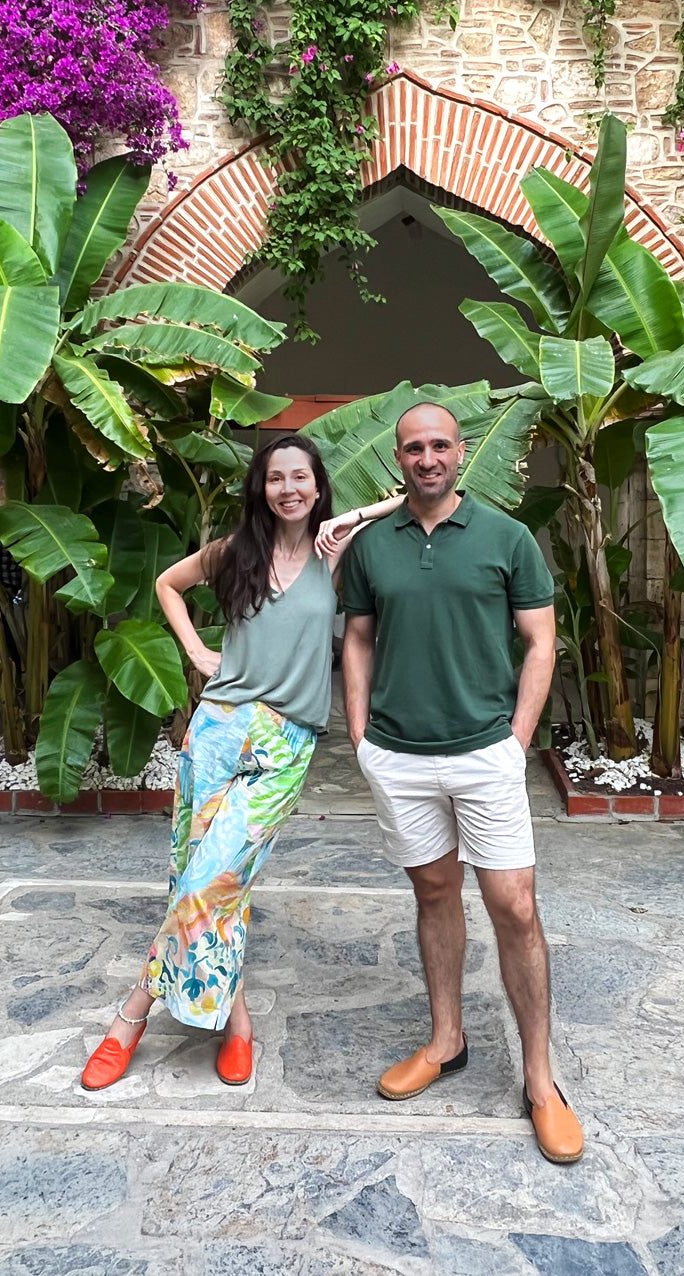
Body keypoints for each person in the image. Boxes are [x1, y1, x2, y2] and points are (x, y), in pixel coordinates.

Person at [80, 433, 399, 1091]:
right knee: (197, 876)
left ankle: (131, 1015)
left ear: (318, 485)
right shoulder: (237, 551)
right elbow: (168, 584)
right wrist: (196, 651)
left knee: (212, 881)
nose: (288, 488)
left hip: (285, 742)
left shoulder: (334, 551)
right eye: (275, 477)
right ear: (261, 487)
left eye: (300, 477)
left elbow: (411, 499)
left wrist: (355, 515)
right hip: (218, 730)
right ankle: (238, 1023)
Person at [340, 402, 584, 1164]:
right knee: (434, 893)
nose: (426, 458)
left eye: (438, 445)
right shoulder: (371, 546)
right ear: (398, 459)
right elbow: (357, 638)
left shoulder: (506, 538)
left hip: (485, 753)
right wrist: (359, 736)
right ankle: (446, 1039)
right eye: (413, 448)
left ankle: (539, 1080)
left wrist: (516, 742)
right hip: (399, 755)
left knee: (514, 906)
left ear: (459, 452)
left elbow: (540, 641)